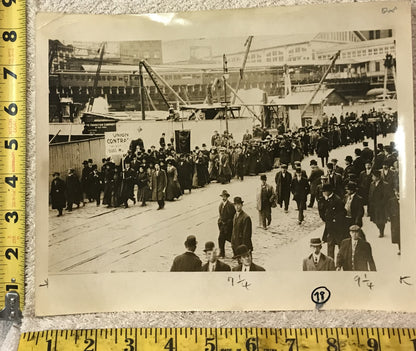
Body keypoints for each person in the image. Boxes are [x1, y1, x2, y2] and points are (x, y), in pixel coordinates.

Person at [320, 183, 347, 259]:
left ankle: (342, 262)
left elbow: (343, 212)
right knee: (330, 245)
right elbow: (322, 210)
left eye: (324, 191)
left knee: (340, 245)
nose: (323, 193)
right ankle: (330, 263)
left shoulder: (337, 200)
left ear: (329, 191)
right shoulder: (325, 199)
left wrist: (336, 219)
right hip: (329, 227)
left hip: (338, 227)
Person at [368, 170, 393, 238]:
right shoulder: (372, 184)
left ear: (377, 177)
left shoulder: (384, 184)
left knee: (381, 220)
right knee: (375, 220)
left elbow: (386, 196)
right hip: (373, 205)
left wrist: (382, 203)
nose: (372, 177)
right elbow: (370, 194)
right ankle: (380, 229)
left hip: (381, 205)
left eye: (373, 176)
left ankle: (381, 231)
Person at [217, 190, 236, 258]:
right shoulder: (221, 205)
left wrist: (228, 224)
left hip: (229, 226)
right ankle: (222, 253)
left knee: (232, 240)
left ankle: (236, 253)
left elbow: (233, 216)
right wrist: (220, 222)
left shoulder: (230, 205)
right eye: (222, 196)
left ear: (227, 197)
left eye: (225, 196)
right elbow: (220, 215)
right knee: (220, 239)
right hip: (222, 226)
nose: (223, 197)